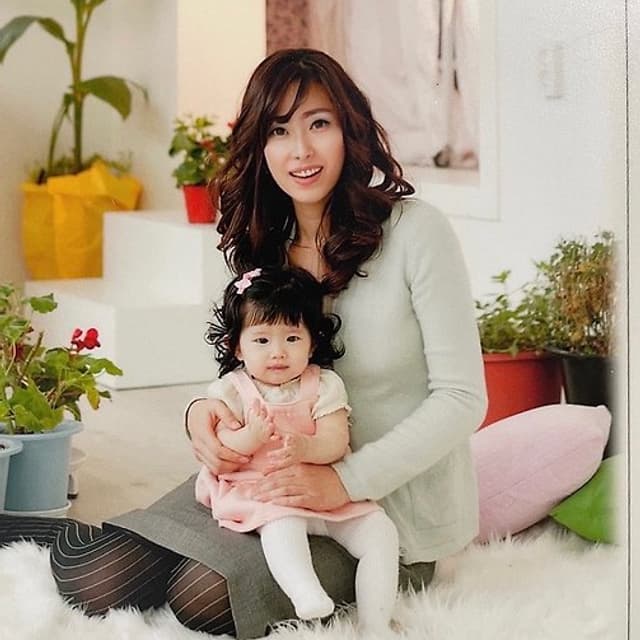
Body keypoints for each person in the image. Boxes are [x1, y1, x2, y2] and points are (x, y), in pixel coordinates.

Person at [0, 48, 486, 639]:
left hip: (380, 510)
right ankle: (39, 529)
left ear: (350, 129)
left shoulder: (417, 233)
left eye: (318, 123)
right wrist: (199, 413)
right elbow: (247, 372)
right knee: (95, 577)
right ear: (259, 144)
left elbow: (462, 399)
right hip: (263, 481)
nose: (300, 150)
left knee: (202, 595)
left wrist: (344, 481)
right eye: (279, 130)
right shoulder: (266, 241)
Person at [196, 265, 399, 632]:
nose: (278, 353)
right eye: (262, 341)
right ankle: (305, 592)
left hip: (325, 490)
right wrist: (250, 437)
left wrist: (306, 447)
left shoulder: (324, 385)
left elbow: (336, 440)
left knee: (380, 531)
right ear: (236, 346)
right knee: (281, 525)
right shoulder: (232, 390)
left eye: (292, 338)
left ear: (312, 343)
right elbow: (224, 450)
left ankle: (376, 622)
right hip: (267, 492)